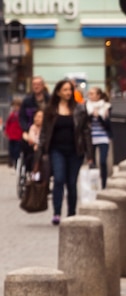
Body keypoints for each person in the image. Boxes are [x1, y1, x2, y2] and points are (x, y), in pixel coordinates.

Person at [39, 77, 93, 225]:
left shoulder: (79, 108)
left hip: (75, 151)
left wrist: (90, 154)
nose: (68, 92)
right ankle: (56, 212)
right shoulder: (50, 110)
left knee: (71, 182)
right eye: (65, 90)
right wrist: (40, 152)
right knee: (59, 179)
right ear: (58, 92)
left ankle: (71, 213)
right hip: (56, 150)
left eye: (70, 89)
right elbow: (44, 132)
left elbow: (86, 131)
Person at [86, 84, 112, 189]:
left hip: (103, 137)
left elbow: (108, 125)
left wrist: (100, 117)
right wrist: (91, 115)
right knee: (92, 162)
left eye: (92, 94)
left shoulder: (106, 106)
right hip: (90, 138)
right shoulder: (86, 107)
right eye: (89, 93)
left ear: (98, 95)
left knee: (102, 161)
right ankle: (93, 185)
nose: (90, 96)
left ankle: (104, 184)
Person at [5, 96, 23, 167]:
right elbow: (8, 123)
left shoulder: (21, 115)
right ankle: (11, 159)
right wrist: (7, 131)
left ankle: (16, 161)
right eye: (14, 106)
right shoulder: (12, 115)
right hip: (11, 135)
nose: (15, 107)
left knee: (17, 150)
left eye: (17, 106)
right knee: (11, 149)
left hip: (18, 135)